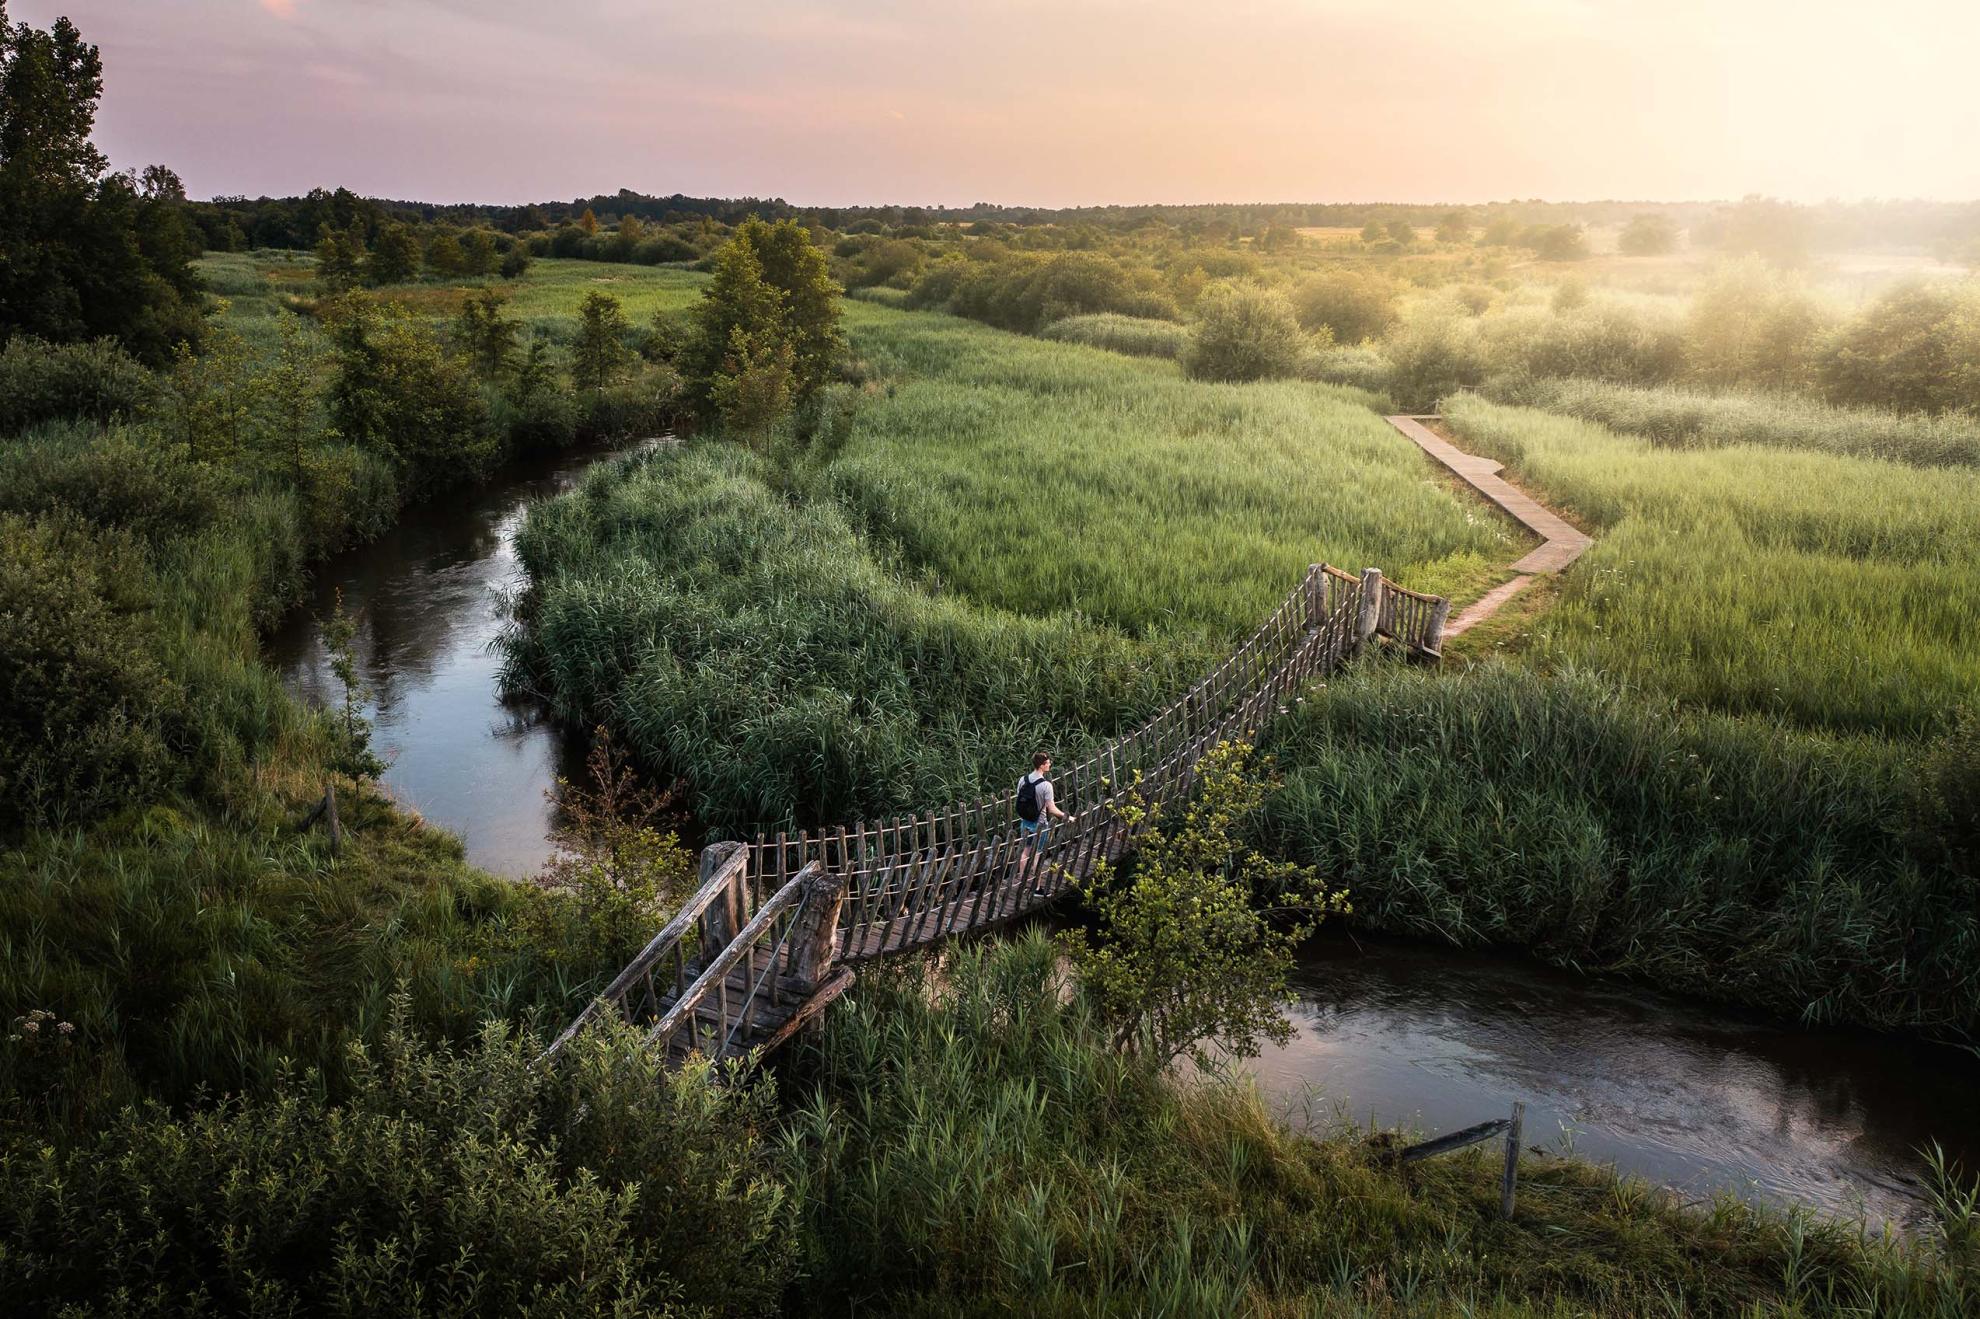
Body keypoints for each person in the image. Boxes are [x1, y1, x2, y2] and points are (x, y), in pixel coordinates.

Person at [1016, 751, 1069, 891]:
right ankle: (1037, 888)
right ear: (1041, 765)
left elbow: (1019, 799)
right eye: (1047, 762)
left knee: (1025, 852)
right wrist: (1066, 816)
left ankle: (1022, 884)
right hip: (1040, 824)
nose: (1049, 764)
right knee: (1037, 855)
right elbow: (1052, 809)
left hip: (1025, 822)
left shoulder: (1023, 780)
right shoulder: (1046, 785)